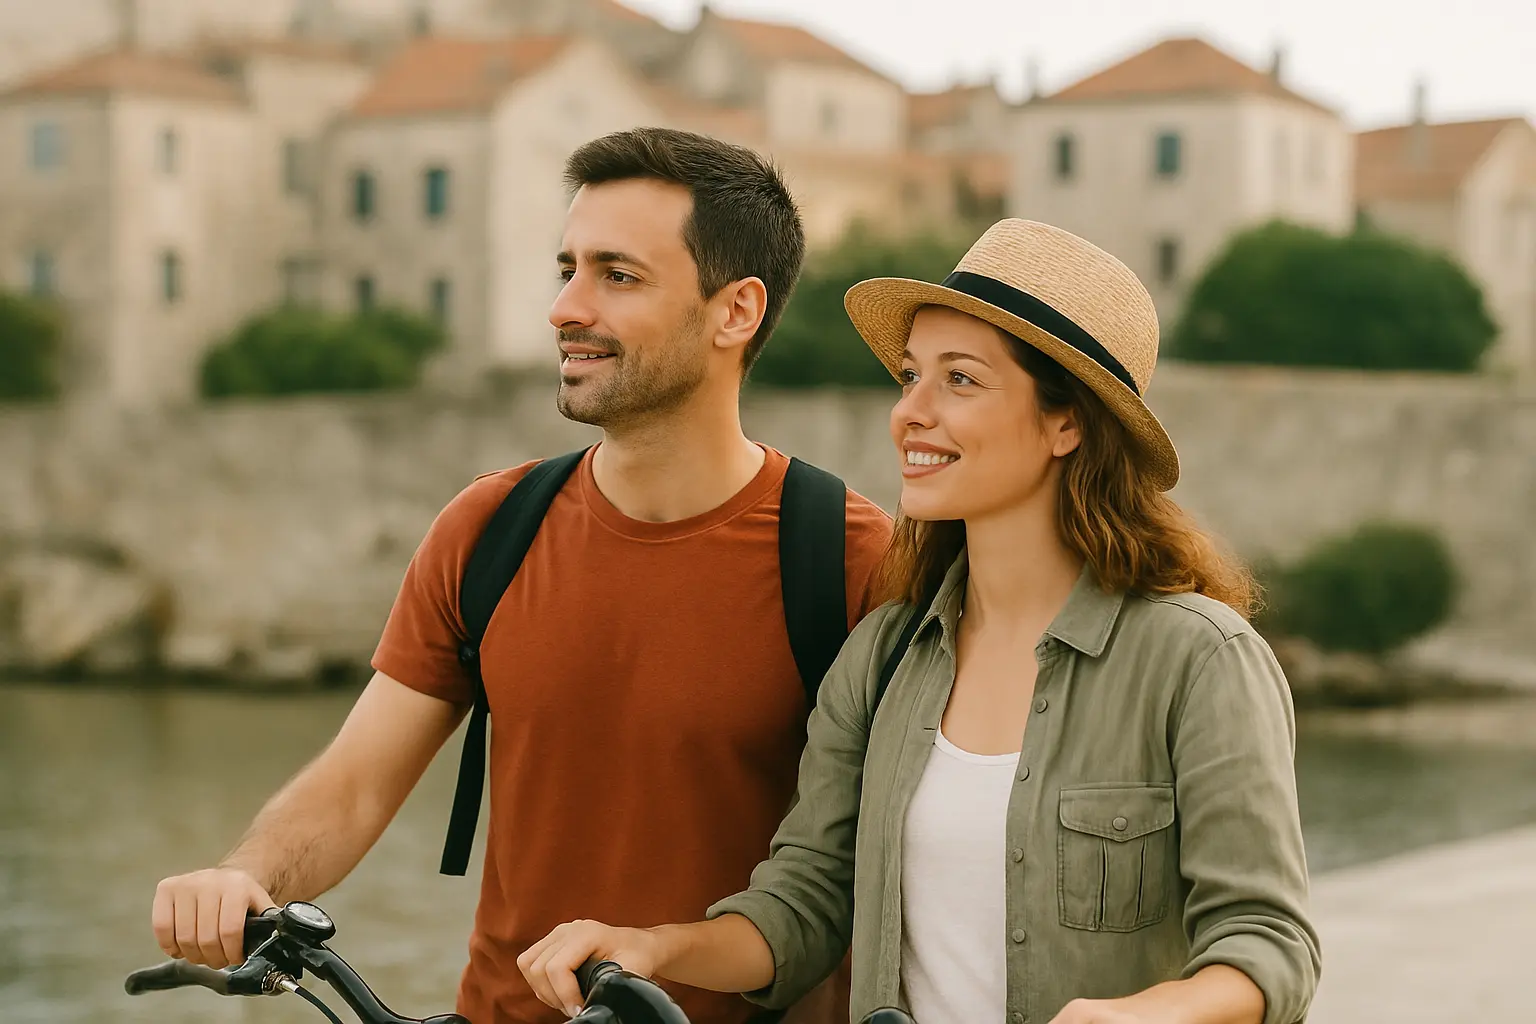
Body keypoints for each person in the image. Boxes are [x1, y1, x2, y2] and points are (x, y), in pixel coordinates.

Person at [148, 127, 892, 1024]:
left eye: (618, 276)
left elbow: (887, 863)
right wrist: (244, 874)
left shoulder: (851, 559)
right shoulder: (492, 528)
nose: (565, 308)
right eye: (567, 268)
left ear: (735, 310)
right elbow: (355, 784)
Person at [518, 219, 1322, 1024]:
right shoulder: (883, 657)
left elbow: (1269, 944)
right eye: (910, 377)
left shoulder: (1200, 660)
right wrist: (654, 947)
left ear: (1066, 423)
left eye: (960, 381)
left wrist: (1141, 1016)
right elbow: (802, 908)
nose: (910, 412)